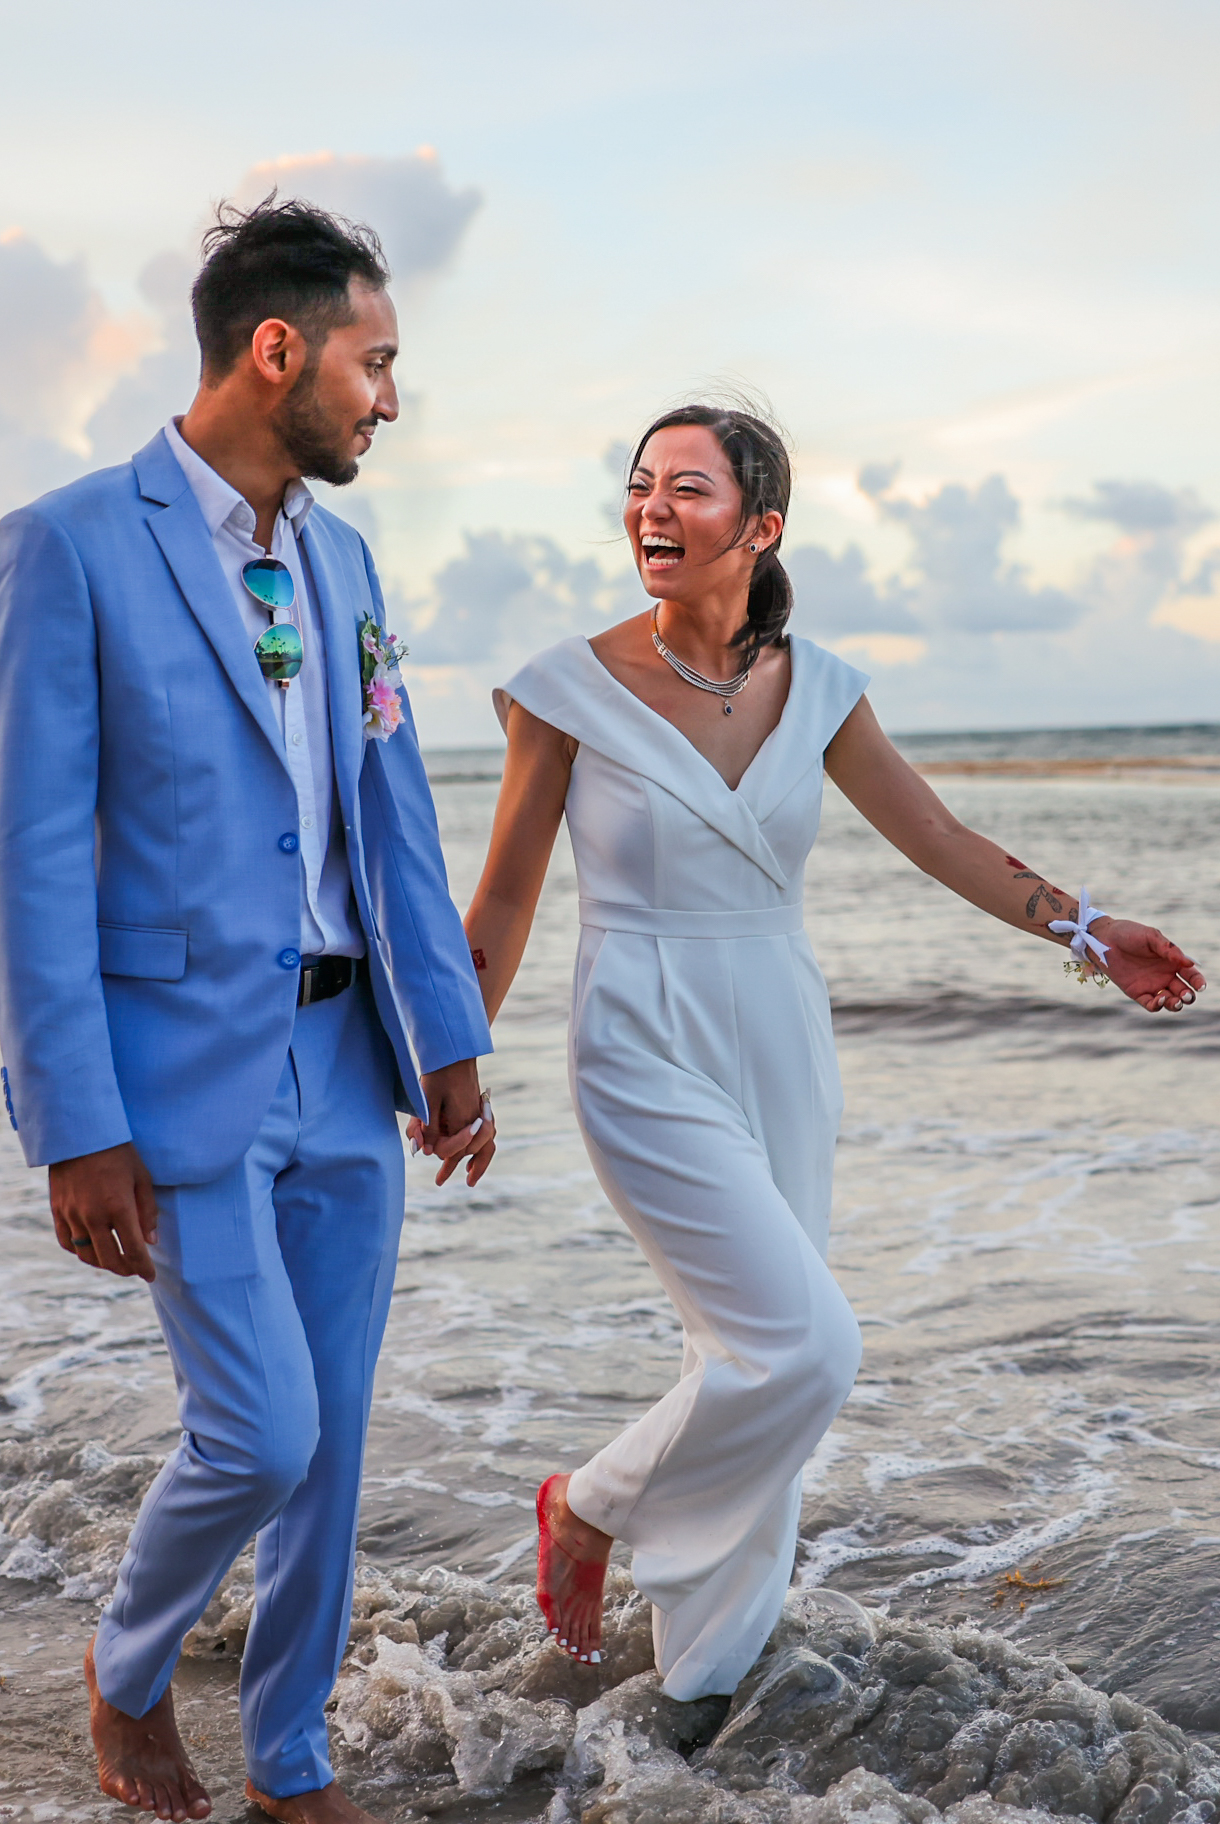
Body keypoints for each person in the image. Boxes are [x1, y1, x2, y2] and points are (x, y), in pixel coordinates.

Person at [461, 401, 1206, 1702]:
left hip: (784, 1040)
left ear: (761, 525)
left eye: (687, 490)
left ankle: (698, 1690)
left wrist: (1090, 929)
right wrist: (452, 1062)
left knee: (743, 1360)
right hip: (639, 1039)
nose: (651, 510)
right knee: (808, 1347)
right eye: (640, 486)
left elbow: (944, 841)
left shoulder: (823, 689)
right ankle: (586, 1506)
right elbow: (508, 898)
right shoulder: (564, 688)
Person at [0, 198, 496, 1824]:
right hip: (178, 1077)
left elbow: (394, 813)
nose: (390, 401)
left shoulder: (344, 557)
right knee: (264, 1435)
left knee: (335, 1452)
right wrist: (75, 1125)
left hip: (347, 1065)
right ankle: (127, 1668)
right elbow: (31, 859)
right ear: (276, 349)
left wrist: (448, 1041)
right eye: (376, 362)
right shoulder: (72, 542)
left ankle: (290, 1766)